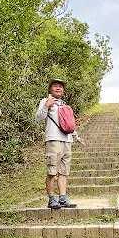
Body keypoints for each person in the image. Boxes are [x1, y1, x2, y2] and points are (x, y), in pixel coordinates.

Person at [35, 79, 77, 210]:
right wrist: (47, 105)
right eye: (55, 86)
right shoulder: (45, 101)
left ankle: (63, 198)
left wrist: (76, 135)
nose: (58, 88)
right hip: (53, 140)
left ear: (63, 91)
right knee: (52, 171)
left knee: (64, 172)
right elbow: (38, 119)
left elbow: (69, 124)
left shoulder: (65, 105)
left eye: (60, 87)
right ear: (50, 89)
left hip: (67, 140)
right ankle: (52, 199)